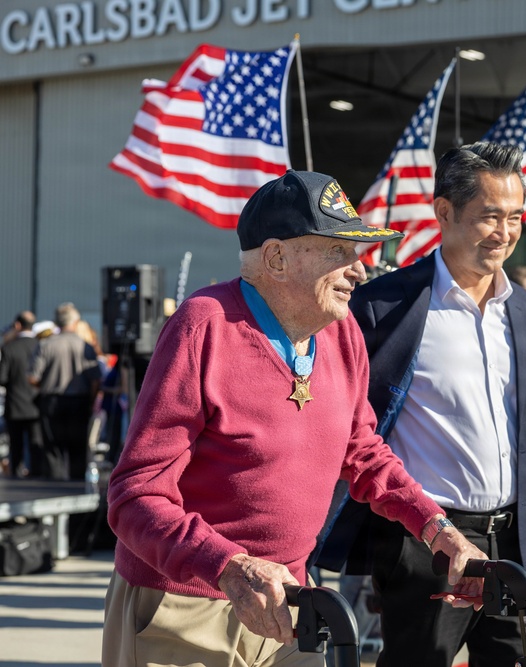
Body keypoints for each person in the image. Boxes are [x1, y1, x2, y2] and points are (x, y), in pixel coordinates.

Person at [103, 170, 486, 667]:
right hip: (185, 604)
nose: (359, 270)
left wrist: (438, 528)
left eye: (358, 253)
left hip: (291, 603)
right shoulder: (204, 325)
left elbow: (364, 453)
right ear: (276, 258)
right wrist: (232, 568)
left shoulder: (342, 331)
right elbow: (136, 494)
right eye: (338, 252)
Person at [346, 142, 526, 667]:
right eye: (490, 216)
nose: (505, 232)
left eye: (516, 217)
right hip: (423, 543)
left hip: (515, 545)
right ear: (444, 212)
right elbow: (351, 430)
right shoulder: (384, 307)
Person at [28, 303, 102, 480]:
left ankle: (55, 484)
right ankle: (76, 484)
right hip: (79, 400)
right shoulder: (85, 346)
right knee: (77, 446)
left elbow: (32, 377)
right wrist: (91, 402)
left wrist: (45, 387)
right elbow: (95, 379)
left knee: (53, 446)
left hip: (52, 400)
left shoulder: (45, 345)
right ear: (75, 322)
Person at [0, 311, 42, 478]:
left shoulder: (9, 348)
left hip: (15, 403)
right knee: (35, 443)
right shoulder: (40, 344)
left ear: (18, 325)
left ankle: (16, 475)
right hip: (36, 403)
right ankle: (37, 474)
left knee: (15, 445)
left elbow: (2, 377)